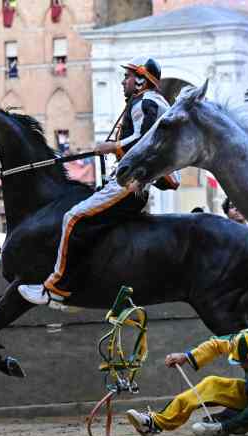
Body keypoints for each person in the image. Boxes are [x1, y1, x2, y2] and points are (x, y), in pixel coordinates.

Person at [18, 56, 180, 308]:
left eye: (127, 77)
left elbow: (143, 141)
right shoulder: (149, 102)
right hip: (131, 183)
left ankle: (56, 288)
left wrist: (112, 147)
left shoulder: (145, 102)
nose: (123, 82)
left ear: (140, 81)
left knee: (72, 218)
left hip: (129, 186)